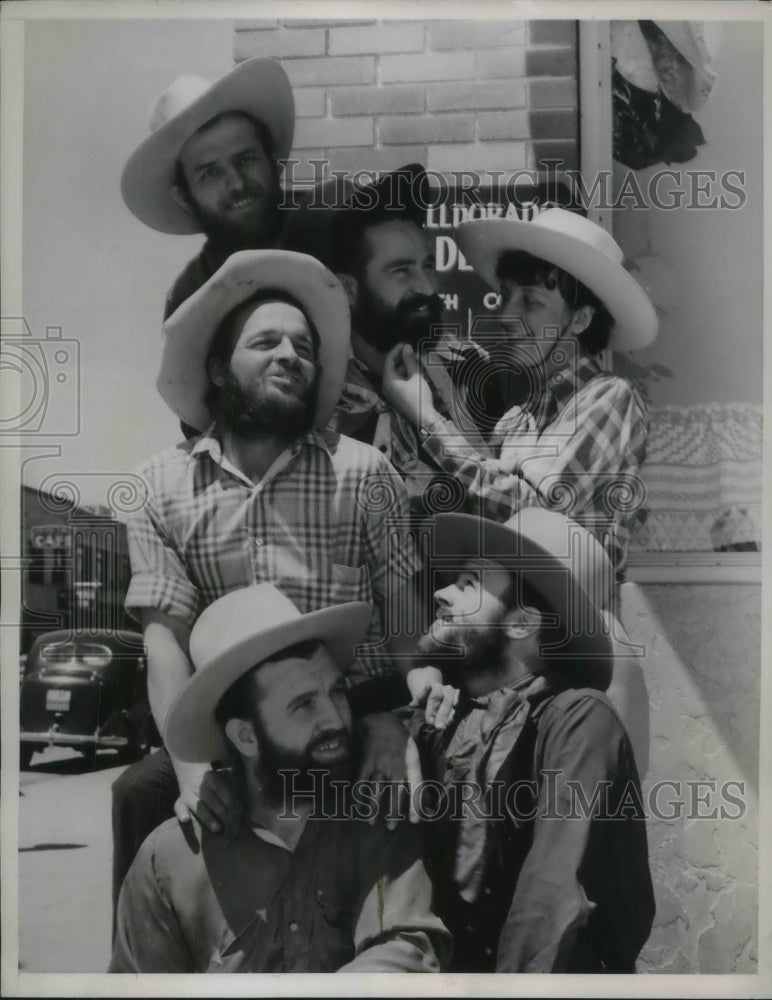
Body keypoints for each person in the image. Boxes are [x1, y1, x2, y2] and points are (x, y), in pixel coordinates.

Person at [112, 250, 434, 919]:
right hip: (235, 734)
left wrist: (396, 723)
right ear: (216, 369)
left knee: (414, 797)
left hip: (348, 718)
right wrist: (196, 771)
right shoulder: (159, 488)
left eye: (305, 347)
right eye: (265, 342)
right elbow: (165, 641)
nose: (291, 354)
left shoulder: (365, 474)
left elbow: (406, 627)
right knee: (142, 792)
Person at [110, 584, 450, 973]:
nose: (337, 719)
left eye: (336, 692)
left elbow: (406, 947)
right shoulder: (169, 861)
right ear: (246, 736)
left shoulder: (376, 817)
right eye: (304, 704)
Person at [410, 506, 655, 972]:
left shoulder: (579, 720)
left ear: (522, 623)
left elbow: (553, 896)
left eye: (468, 585)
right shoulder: (451, 717)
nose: (440, 592)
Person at [382, 207, 660, 578]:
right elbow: (487, 515)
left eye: (530, 302)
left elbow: (538, 519)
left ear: (581, 318)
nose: (505, 315)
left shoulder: (609, 397)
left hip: (570, 626)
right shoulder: (517, 419)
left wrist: (428, 419)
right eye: (505, 296)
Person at [280, 164, 497, 518]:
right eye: (401, 271)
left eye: (428, 266)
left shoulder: (472, 370)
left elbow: (513, 505)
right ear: (347, 289)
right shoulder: (310, 400)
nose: (427, 288)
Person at [121, 57, 293, 319]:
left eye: (246, 159)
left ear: (271, 159)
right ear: (183, 199)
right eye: (210, 173)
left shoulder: (339, 225)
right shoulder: (191, 299)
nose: (237, 182)